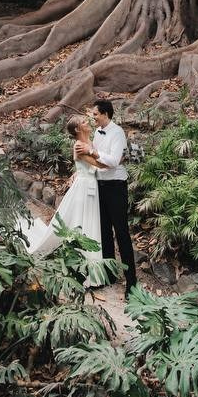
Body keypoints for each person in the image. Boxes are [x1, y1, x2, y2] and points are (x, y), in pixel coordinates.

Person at [19, 117, 102, 261]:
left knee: (91, 219)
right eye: (83, 122)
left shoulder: (89, 142)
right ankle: (86, 258)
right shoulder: (79, 146)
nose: (87, 122)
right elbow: (98, 165)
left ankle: (91, 255)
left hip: (92, 184)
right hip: (85, 187)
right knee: (84, 219)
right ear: (77, 129)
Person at [77, 98, 137, 297]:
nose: (93, 117)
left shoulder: (117, 132)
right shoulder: (97, 132)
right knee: (104, 233)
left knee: (122, 233)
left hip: (116, 187)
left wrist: (92, 151)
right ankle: (109, 275)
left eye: (95, 114)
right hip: (100, 187)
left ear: (105, 114)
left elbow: (112, 161)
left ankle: (131, 283)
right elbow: (94, 160)